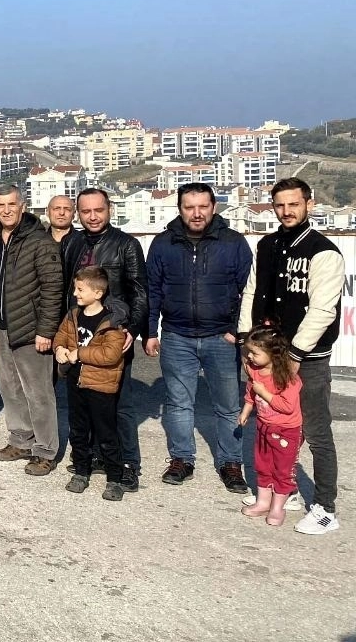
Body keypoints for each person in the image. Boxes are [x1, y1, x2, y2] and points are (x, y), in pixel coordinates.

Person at [237, 177, 343, 536]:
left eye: (294, 204)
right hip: (268, 355)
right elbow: (252, 292)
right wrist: (245, 339)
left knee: (315, 431)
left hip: (307, 359)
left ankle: (326, 507)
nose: (286, 211)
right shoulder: (266, 245)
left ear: (309, 204)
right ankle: (287, 489)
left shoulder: (324, 251)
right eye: (280, 205)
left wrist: (295, 354)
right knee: (274, 428)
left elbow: (323, 310)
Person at [144, 182, 253, 494]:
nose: (196, 213)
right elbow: (153, 290)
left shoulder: (233, 243)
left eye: (203, 206)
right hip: (177, 336)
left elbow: (248, 290)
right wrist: (150, 332)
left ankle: (231, 463)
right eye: (189, 207)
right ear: (180, 209)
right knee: (179, 404)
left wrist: (237, 331)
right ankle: (181, 459)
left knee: (228, 406)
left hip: (222, 338)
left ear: (213, 207)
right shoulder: (163, 243)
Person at [61, 188, 148, 490]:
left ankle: (128, 464)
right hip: (80, 334)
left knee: (118, 404)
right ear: (78, 213)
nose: (93, 216)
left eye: (98, 210)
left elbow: (139, 292)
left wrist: (133, 329)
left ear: (109, 209)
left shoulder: (126, 244)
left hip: (113, 334)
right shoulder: (72, 243)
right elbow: (66, 290)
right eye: (86, 211)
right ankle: (94, 456)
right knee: (84, 404)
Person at [0, 184, 63, 475]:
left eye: (12, 204)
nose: (6, 210)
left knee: (39, 393)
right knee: (9, 388)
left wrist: (46, 330)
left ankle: (45, 450)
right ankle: (21, 440)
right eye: (1, 205)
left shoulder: (40, 242)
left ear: (22, 206)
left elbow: (53, 289)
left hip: (31, 329)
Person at [55, 266, 129, 501]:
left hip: (100, 387)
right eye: (75, 289)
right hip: (76, 383)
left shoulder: (112, 322)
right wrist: (59, 349)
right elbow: (62, 335)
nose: (75, 294)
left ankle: (114, 478)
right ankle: (81, 471)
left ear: (98, 293)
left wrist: (78, 353)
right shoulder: (73, 315)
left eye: (80, 289)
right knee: (78, 431)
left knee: (106, 433)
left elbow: (110, 355)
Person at [238, 326, 304, 526]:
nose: (250, 356)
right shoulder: (255, 371)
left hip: (286, 431)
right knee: (263, 465)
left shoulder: (287, 378)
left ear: (273, 354)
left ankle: (278, 507)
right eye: (249, 351)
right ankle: (263, 502)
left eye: (255, 353)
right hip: (264, 426)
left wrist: (264, 393)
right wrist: (246, 410)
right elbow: (251, 393)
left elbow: (287, 406)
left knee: (283, 470)